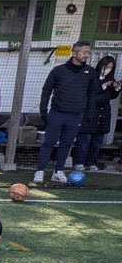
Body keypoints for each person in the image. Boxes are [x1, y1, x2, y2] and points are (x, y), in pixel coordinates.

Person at [35, 41, 96, 184]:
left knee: (66, 143)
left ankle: (58, 171)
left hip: (77, 115)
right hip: (57, 113)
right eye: (84, 52)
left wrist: (88, 115)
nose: (87, 55)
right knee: (49, 142)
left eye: (88, 52)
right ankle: (40, 171)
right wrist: (43, 110)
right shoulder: (58, 70)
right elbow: (46, 90)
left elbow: (92, 95)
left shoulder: (91, 72)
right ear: (74, 53)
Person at [72, 54, 118, 173]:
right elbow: (90, 96)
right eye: (106, 66)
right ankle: (79, 162)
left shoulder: (110, 79)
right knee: (84, 141)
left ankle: (91, 162)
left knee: (97, 142)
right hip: (89, 115)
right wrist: (103, 87)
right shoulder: (91, 77)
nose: (108, 69)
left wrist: (117, 88)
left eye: (111, 67)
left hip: (103, 116)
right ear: (101, 65)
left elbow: (111, 96)